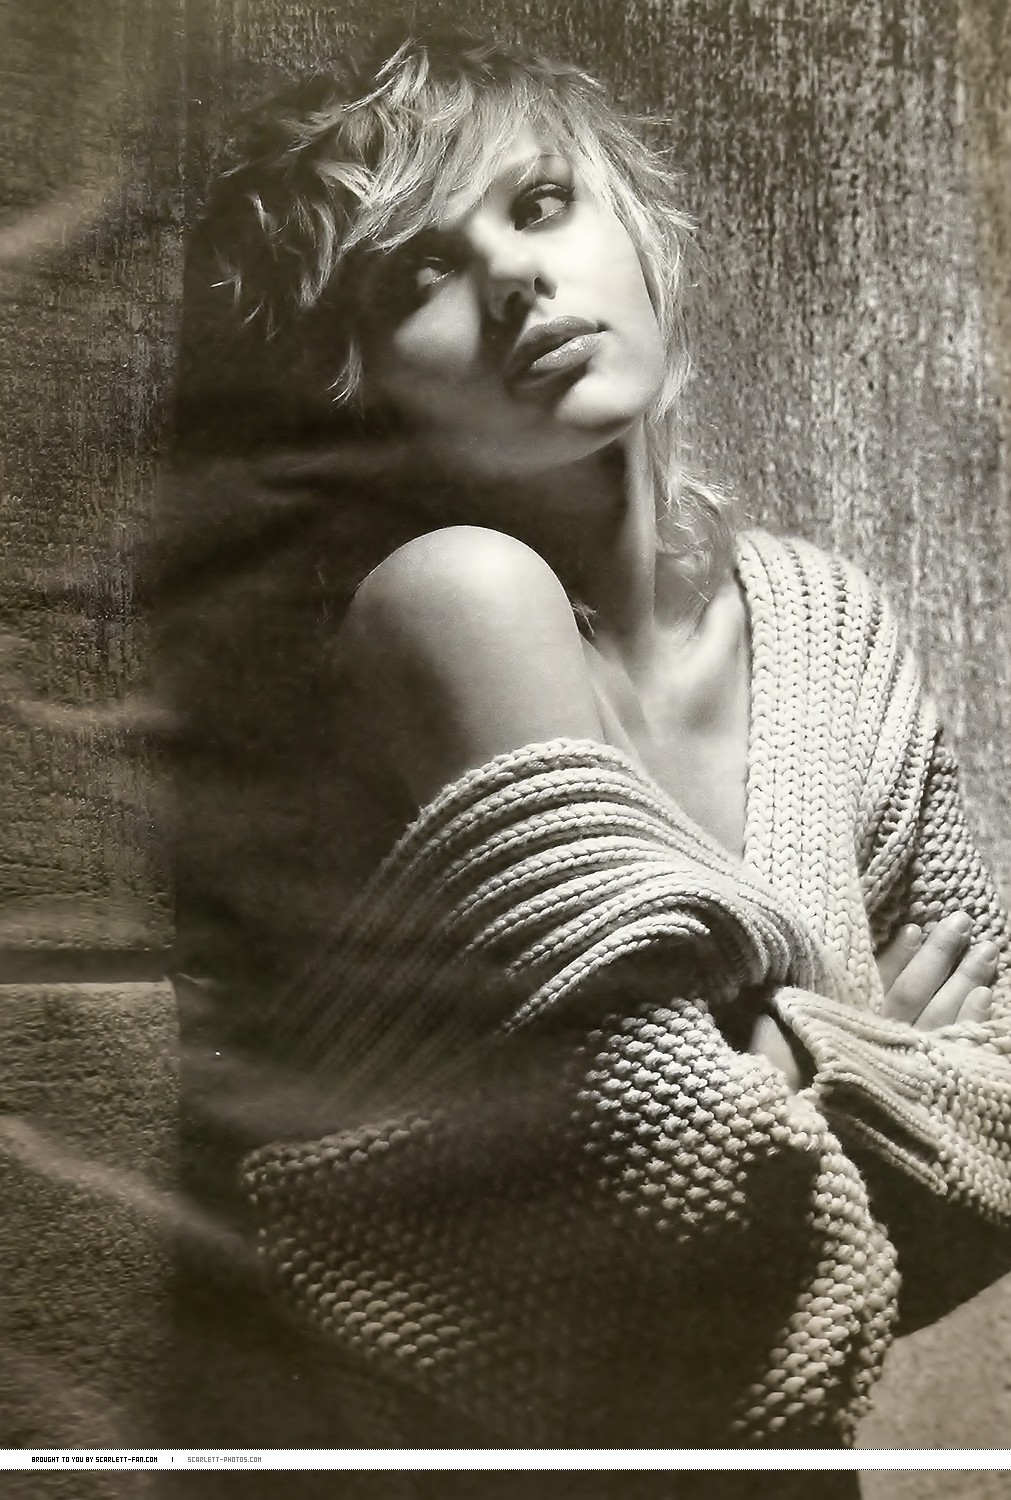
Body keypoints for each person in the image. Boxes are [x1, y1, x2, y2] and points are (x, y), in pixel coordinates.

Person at [171, 22, 1011, 1468]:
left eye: (542, 203)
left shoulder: (830, 624)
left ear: (639, 230)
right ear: (355, 386)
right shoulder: (453, 603)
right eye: (416, 275)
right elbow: (673, 1215)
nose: (512, 278)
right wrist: (880, 1054)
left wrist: (774, 1071)